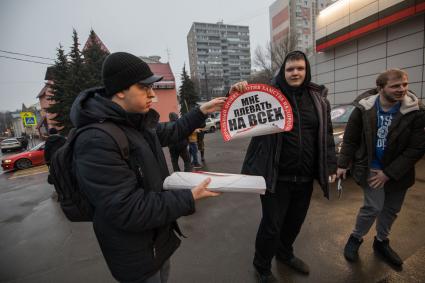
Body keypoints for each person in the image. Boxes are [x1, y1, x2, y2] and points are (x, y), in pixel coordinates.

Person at [70, 52, 225, 283]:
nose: (152, 95)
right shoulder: (95, 140)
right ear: (121, 90)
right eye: (144, 88)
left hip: (156, 241)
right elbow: (127, 208)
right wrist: (188, 197)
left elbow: (172, 131)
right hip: (134, 254)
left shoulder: (136, 122)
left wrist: (202, 111)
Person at [232, 50, 337, 282]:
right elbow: (238, 107)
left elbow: (327, 136)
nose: (295, 73)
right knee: (272, 226)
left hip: (305, 178)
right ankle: (261, 267)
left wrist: (330, 165)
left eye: (300, 68)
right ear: (283, 71)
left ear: (306, 70)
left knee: (294, 223)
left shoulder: (318, 100)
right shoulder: (267, 95)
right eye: (290, 69)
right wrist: (237, 90)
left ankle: (285, 254)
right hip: (275, 177)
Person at [337, 69, 425, 268]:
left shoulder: (416, 111)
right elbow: (350, 138)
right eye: (395, 86)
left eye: (404, 84)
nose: (401, 89)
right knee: (373, 207)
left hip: (398, 172)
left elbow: (416, 148)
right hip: (371, 168)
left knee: (391, 209)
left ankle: (381, 242)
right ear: (381, 87)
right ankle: (355, 238)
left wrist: (389, 173)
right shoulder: (364, 109)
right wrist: (343, 164)